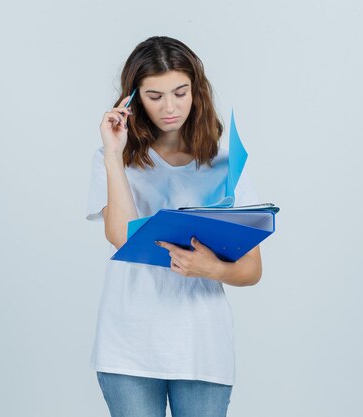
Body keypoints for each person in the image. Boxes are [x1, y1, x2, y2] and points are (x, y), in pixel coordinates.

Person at [85, 36, 263, 417]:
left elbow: (252, 269)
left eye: (180, 92)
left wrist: (209, 268)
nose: (170, 107)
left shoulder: (226, 163)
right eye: (154, 96)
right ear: (132, 99)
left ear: (196, 91)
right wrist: (115, 154)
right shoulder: (111, 159)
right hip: (128, 345)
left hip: (202, 345)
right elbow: (121, 237)